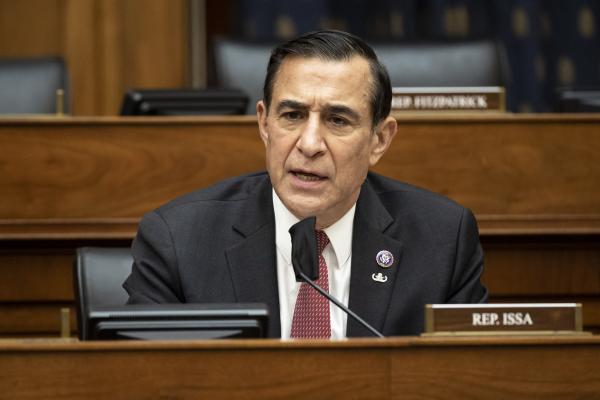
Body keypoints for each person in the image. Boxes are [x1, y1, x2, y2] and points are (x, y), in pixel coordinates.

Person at [123, 30, 487, 338]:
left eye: (338, 120)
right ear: (264, 124)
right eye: (292, 116)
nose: (309, 144)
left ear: (379, 140)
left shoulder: (443, 241)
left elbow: (468, 378)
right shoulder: (179, 241)